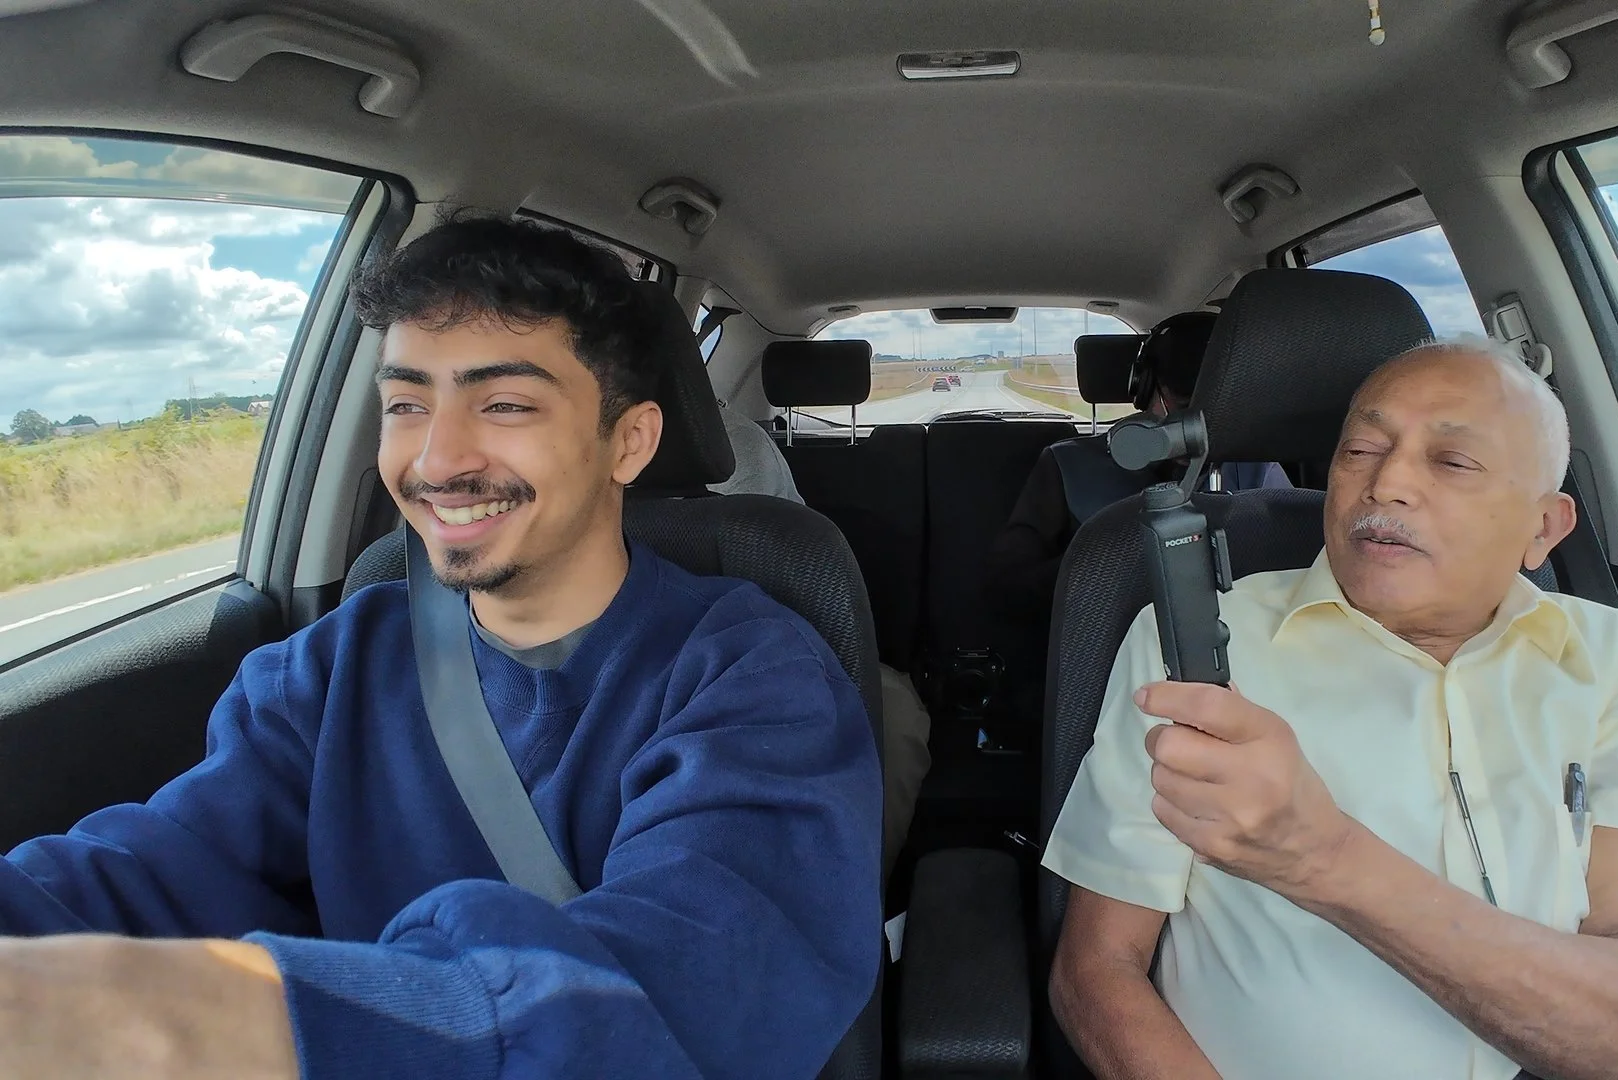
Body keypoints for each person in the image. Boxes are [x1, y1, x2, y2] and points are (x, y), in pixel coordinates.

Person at [0, 216, 880, 1079]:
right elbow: (144, 872)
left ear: (630, 440)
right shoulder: (325, 668)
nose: (438, 459)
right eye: (407, 403)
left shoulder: (753, 676)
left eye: (504, 404)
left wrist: (199, 1024)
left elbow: (699, 980)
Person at [1044, 339, 1618, 1080]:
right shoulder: (1202, 647)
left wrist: (1321, 859)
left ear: (1544, 528)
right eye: (1360, 450)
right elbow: (1096, 969)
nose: (1389, 483)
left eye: (1453, 462)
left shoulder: (1613, 660)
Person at [709, 398, 933, 883]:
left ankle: (860, 900)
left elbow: (785, 587)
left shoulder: (731, 445)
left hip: (774, 651)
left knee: (892, 717)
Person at [988, 310, 1288, 628]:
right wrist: (1113, 561)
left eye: (1215, 411)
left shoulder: (1260, 470)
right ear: (1143, 387)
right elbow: (1007, 589)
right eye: (1183, 407)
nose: (1198, 427)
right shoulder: (1068, 466)